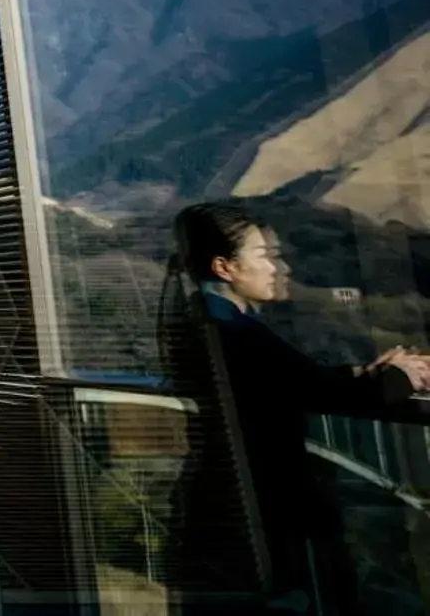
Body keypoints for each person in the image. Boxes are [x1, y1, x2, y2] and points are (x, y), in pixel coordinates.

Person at [161, 202, 430, 611]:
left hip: (227, 505)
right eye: (267, 256)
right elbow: (313, 389)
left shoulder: (210, 321)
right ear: (225, 267)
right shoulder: (231, 331)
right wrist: (402, 377)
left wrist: (363, 372)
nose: (280, 267)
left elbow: (291, 380)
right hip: (255, 513)